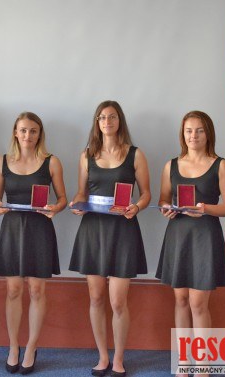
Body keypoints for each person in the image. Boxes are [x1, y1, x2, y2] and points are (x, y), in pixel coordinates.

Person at [69, 100, 151, 377]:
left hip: (123, 230)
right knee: (95, 298)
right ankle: (102, 357)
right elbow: (81, 193)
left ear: (119, 121)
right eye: (102, 117)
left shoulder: (135, 154)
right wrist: (77, 204)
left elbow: (146, 194)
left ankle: (118, 359)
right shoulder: (86, 155)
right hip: (93, 230)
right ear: (97, 122)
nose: (107, 121)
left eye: (112, 117)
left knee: (117, 302)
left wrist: (136, 207)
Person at [156, 111, 225, 376]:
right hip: (178, 236)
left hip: (205, 237)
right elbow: (163, 199)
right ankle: (183, 362)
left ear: (208, 133)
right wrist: (166, 208)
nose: (193, 136)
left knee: (198, 303)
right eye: (189, 130)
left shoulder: (221, 165)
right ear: (183, 134)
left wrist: (206, 209)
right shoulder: (171, 165)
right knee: (180, 300)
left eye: (199, 130)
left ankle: (203, 366)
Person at [0, 112, 67, 375]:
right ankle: (13, 347)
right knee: (13, 290)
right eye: (23, 130)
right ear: (15, 132)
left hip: (39, 230)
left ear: (39, 134)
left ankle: (32, 347)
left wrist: (55, 208)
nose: (27, 135)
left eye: (33, 131)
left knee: (36, 290)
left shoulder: (51, 161)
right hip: (12, 229)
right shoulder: (2, 160)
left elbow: (62, 198)